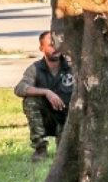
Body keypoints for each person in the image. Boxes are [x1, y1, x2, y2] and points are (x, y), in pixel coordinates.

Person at [14, 31, 73, 162]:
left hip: (68, 118)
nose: (56, 48)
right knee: (30, 101)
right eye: (51, 45)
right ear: (42, 48)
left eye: (58, 45)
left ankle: (64, 146)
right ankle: (40, 148)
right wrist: (46, 92)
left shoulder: (72, 67)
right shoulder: (35, 68)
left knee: (64, 155)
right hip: (47, 118)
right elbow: (20, 88)